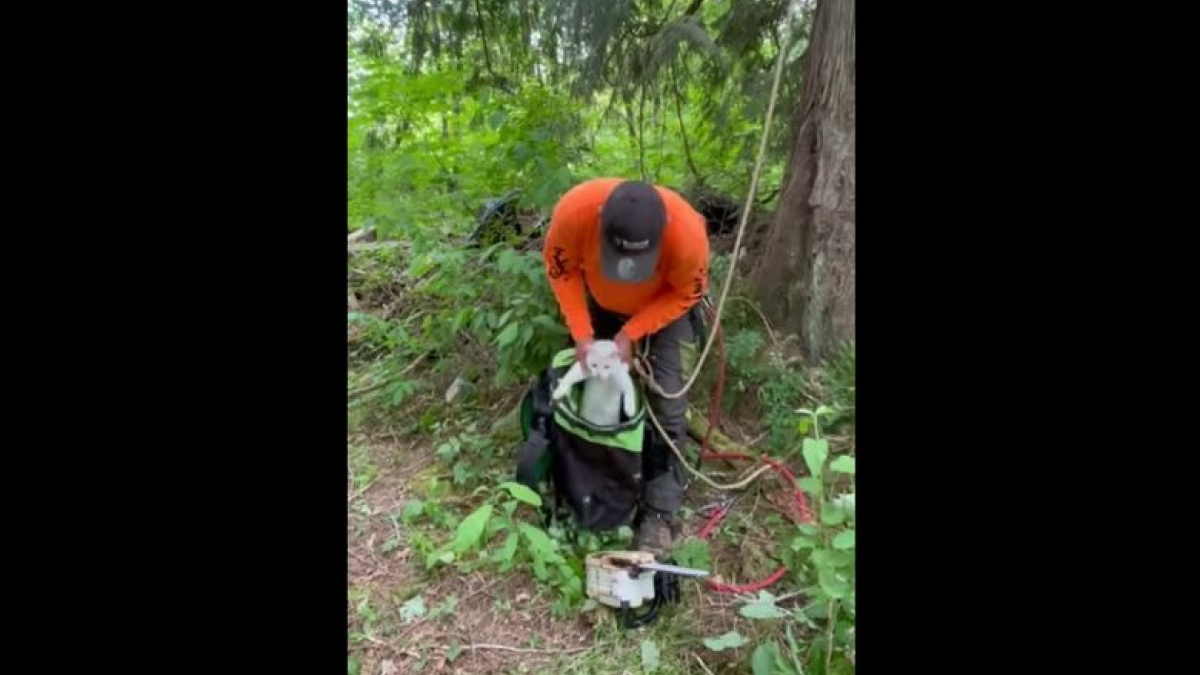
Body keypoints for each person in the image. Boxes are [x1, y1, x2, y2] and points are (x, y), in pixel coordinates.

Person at [542, 177, 709, 556]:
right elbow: (560, 269)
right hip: (600, 302)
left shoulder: (687, 237)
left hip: (666, 311)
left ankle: (660, 514)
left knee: (669, 407)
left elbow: (686, 293)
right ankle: (591, 487)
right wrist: (583, 336)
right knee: (594, 391)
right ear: (600, 222)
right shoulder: (575, 212)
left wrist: (632, 333)